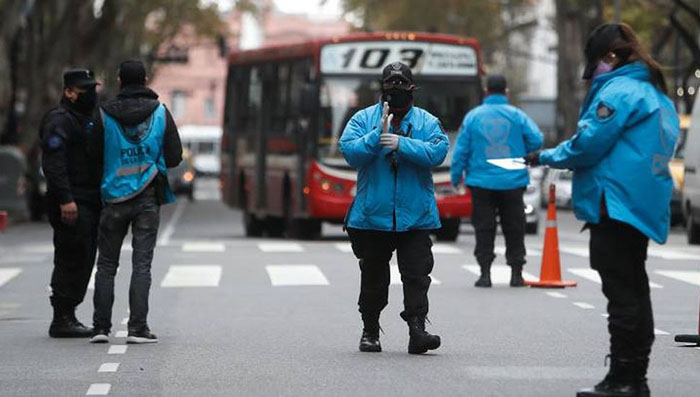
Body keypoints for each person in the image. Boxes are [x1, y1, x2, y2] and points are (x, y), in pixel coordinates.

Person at [526, 23, 678, 397]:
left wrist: (545, 155)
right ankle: (632, 375)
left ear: (610, 56)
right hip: (640, 201)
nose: (595, 74)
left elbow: (589, 144)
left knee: (622, 292)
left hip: (616, 201)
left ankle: (625, 379)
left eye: (596, 65)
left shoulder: (620, 91)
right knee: (634, 288)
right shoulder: (656, 94)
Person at [339, 62, 448, 354]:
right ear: (381, 92)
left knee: (417, 275)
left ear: (412, 91)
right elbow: (350, 152)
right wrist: (377, 135)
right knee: (373, 276)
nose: (395, 97)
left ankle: (417, 330)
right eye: (390, 91)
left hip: (416, 217)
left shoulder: (427, 122)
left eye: (401, 90)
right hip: (372, 216)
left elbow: (438, 152)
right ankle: (370, 331)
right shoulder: (363, 119)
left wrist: (403, 143)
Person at [90, 60, 182, 344]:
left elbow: (91, 156)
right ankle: (137, 328)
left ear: (119, 81)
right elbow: (175, 156)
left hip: (113, 198)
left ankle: (100, 328)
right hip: (147, 199)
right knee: (142, 264)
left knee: (106, 265)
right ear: (144, 80)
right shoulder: (161, 114)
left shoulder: (104, 115)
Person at [451, 74, 543, 288]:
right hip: (513, 181)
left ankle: (485, 274)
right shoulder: (517, 116)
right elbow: (537, 139)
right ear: (506, 92)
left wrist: (456, 177)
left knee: (484, 227)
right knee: (514, 227)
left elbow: (461, 150)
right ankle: (516, 273)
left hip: (481, 182)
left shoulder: (473, 117)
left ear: (486, 92)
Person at [40, 69, 102, 338]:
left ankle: (69, 313)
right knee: (70, 255)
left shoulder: (86, 118)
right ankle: (61, 316)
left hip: (89, 199)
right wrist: (66, 199)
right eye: (85, 90)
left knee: (85, 255)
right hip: (71, 200)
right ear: (69, 92)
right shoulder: (60, 120)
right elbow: (54, 164)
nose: (91, 94)